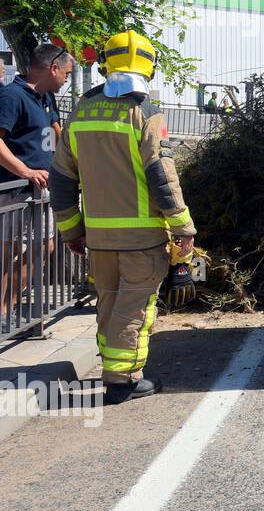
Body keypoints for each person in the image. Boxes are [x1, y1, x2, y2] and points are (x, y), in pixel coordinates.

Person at [49, 30, 197, 404]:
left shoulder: (81, 110)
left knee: (109, 305)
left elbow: (62, 180)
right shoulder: (146, 114)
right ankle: (122, 381)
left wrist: (72, 231)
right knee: (134, 310)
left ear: (105, 63)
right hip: (141, 241)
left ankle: (115, 371)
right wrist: (183, 228)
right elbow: (161, 177)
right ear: (148, 67)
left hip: (98, 239)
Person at [0, 43, 73, 320]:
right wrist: (24, 171)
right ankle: (4, 312)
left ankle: (9, 308)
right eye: (66, 73)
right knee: (9, 252)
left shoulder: (46, 98)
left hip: (40, 189)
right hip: (15, 189)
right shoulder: (11, 96)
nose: (67, 79)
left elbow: (59, 135)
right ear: (52, 68)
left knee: (46, 245)